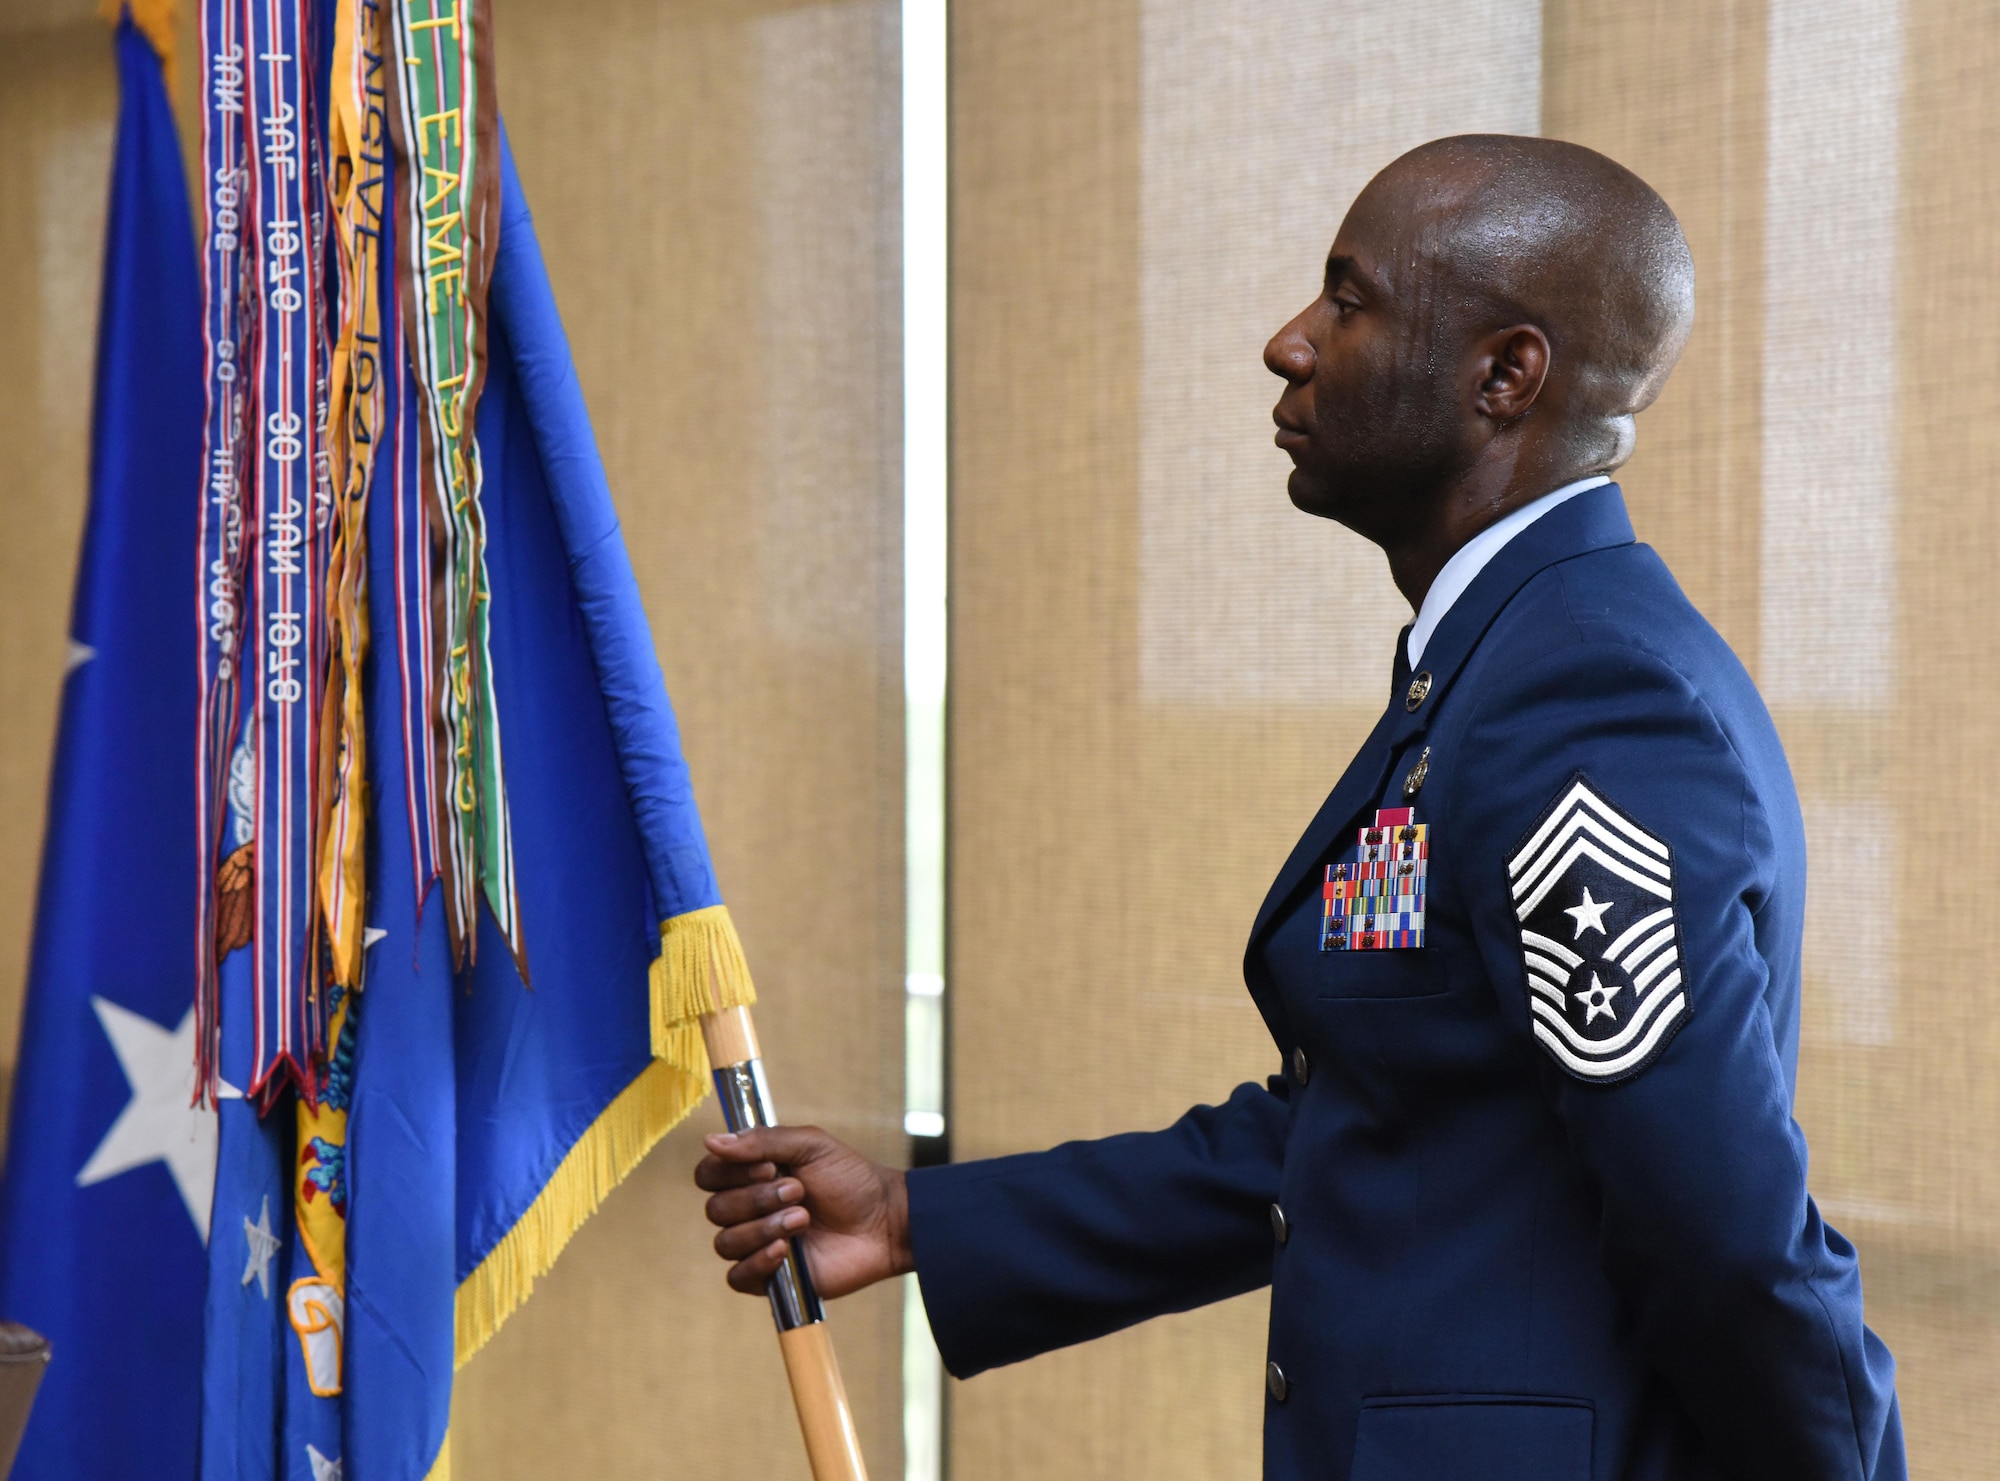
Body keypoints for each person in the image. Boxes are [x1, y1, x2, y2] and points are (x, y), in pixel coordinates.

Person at [695, 134, 1907, 1480]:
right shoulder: (1495, 669)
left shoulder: (1584, 699)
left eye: (1350, 298)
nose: (1289, 343)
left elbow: (1724, 1224)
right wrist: (920, 1218)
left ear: (1505, 375)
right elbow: (1366, 1114)